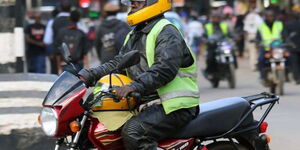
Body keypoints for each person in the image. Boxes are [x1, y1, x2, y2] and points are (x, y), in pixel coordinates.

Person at [78, 0, 199, 149]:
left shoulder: (166, 31)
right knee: (97, 125)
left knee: (133, 132)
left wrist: (135, 86)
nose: (133, 4)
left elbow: (164, 69)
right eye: (132, 1)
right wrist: (88, 75)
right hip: (149, 102)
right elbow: (117, 64)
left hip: (175, 106)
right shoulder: (134, 34)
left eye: (138, 1)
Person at [54, 10, 89, 74]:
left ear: (69, 18)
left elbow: (57, 52)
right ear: (78, 19)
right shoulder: (81, 33)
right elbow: (85, 52)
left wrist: (58, 67)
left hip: (64, 64)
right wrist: (87, 66)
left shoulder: (61, 32)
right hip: (78, 65)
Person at [44, 0, 73, 74]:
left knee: (57, 79)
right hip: (74, 55)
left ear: (60, 8)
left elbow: (47, 40)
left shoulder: (53, 21)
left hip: (58, 56)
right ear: (71, 8)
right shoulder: (76, 21)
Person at [256, 9, 284, 81]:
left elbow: (285, 35)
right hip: (266, 48)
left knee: (289, 57)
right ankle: (262, 76)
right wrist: (258, 43)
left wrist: (288, 42)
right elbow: (258, 37)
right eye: (268, 16)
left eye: (272, 16)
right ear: (265, 16)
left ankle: (288, 74)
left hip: (278, 48)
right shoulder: (261, 26)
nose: (270, 17)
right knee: (261, 60)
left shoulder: (279, 24)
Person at [203, 12, 231, 76]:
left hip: (223, 45)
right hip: (212, 46)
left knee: (231, 53)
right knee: (210, 58)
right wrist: (205, 40)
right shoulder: (208, 26)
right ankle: (208, 71)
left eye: (217, 18)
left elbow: (229, 34)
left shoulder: (224, 25)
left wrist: (235, 37)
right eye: (214, 18)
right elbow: (203, 36)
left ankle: (232, 66)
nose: (216, 19)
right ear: (211, 19)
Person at [243, 7, 263, 71]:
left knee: (252, 51)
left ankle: (253, 66)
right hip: (256, 35)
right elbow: (261, 27)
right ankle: (255, 65)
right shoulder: (258, 17)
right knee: (256, 51)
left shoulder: (248, 16)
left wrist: (246, 37)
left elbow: (245, 28)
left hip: (250, 35)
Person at [284, 7, 300, 84]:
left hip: (292, 47)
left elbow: (285, 35)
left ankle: (296, 78)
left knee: (294, 63)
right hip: (295, 47)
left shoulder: (287, 24)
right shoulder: (288, 24)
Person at [43, 8, 59, 74]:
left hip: (55, 51)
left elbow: (47, 40)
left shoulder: (51, 22)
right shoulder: (69, 20)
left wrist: (49, 52)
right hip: (69, 50)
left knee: (54, 69)